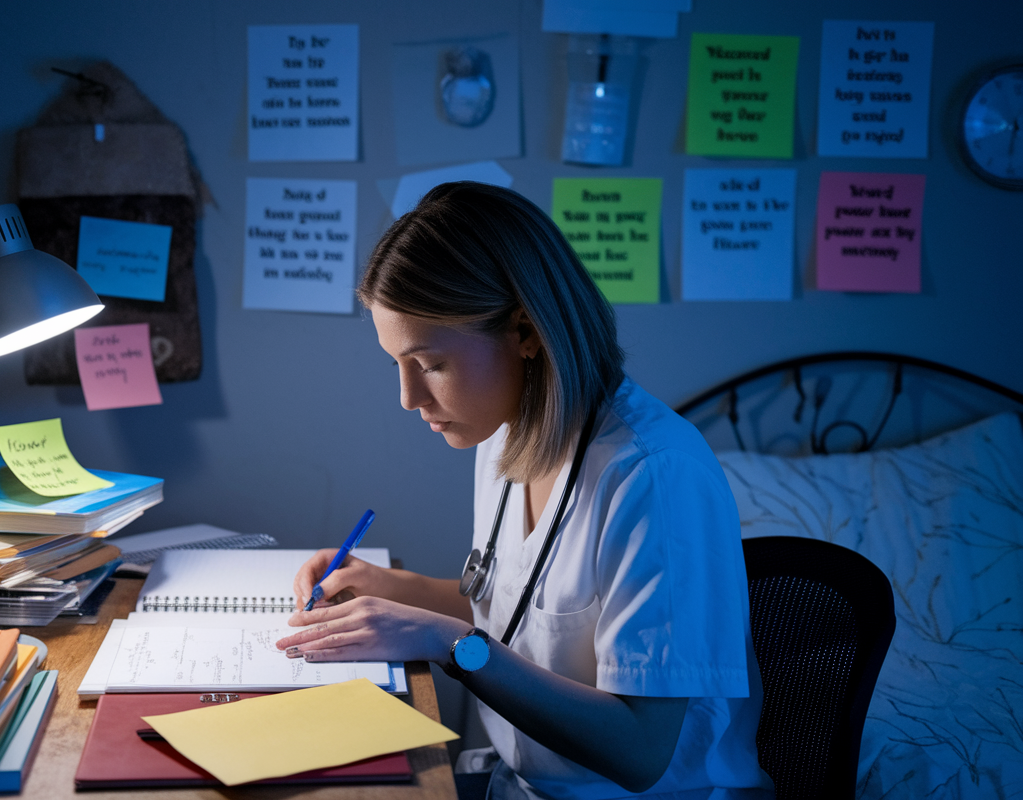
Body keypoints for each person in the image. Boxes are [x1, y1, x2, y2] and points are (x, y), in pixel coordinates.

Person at [274, 182, 773, 800]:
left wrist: (446, 644)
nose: (408, 398)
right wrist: (383, 590)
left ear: (526, 331)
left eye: (429, 365)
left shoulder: (653, 477)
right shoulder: (504, 433)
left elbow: (641, 752)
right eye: (396, 365)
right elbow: (514, 614)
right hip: (522, 784)